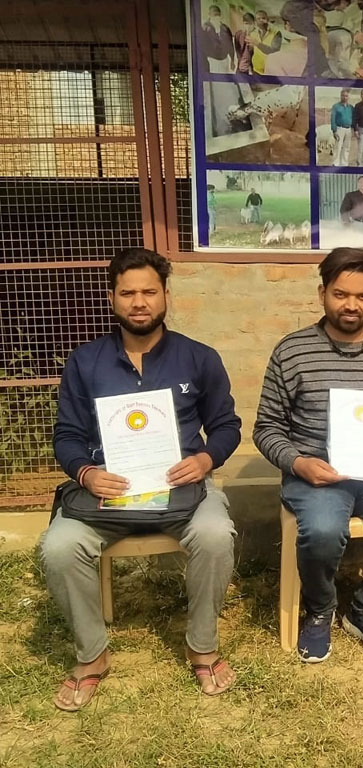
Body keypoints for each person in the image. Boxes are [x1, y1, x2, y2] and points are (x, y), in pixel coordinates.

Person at [44, 248, 241, 711]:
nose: (139, 302)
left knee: (215, 534)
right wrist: (86, 473)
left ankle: (202, 647)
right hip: (106, 497)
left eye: (149, 292)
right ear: (112, 298)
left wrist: (206, 459)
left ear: (165, 294)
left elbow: (227, 426)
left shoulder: (199, 358)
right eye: (128, 292)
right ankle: (92, 655)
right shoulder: (85, 362)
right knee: (59, 547)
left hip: (182, 492)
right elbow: (67, 435)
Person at [254, 249, 363, 662]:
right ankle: (320, 609)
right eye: (340, 294)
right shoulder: (292, 352)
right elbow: (266, 428)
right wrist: (298, 464)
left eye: (362, 296)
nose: (351, 305)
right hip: (316, 475)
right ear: (322, 294)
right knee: (321, 530)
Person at [202, 4, 235, 74]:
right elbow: (202, 48)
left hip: (225, 60)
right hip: (212, 61)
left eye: (218, 15)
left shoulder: (225, 29)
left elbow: (230, 45)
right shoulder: (205, 29)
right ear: (209, 15)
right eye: (214, 15)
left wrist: (232, 60)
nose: (216, 17)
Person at [248, 9, 282, 75]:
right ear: (255, 21)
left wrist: (258, 44)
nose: (261, 20)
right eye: (258, 19)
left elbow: (274, 51)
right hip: (256, 71)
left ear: (268, 19)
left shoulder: (276, 33)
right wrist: (250, 66)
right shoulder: (252, 34)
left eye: (263, 18)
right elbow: (250, 52)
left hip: (271, 71)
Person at [330, 89, 355, 166]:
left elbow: (353, 118)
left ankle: (344, 163)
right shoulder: (336, 106)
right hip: (339, 129)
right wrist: (334, 130)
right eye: (343, 96)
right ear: (340, 96)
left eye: (346, 96)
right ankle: (335, 163)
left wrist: (353, 129)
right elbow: (333, 119)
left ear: (348, 97)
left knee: (346, 147)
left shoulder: (351, 107)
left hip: (348, 129)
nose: (345, 97)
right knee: (338, 146)